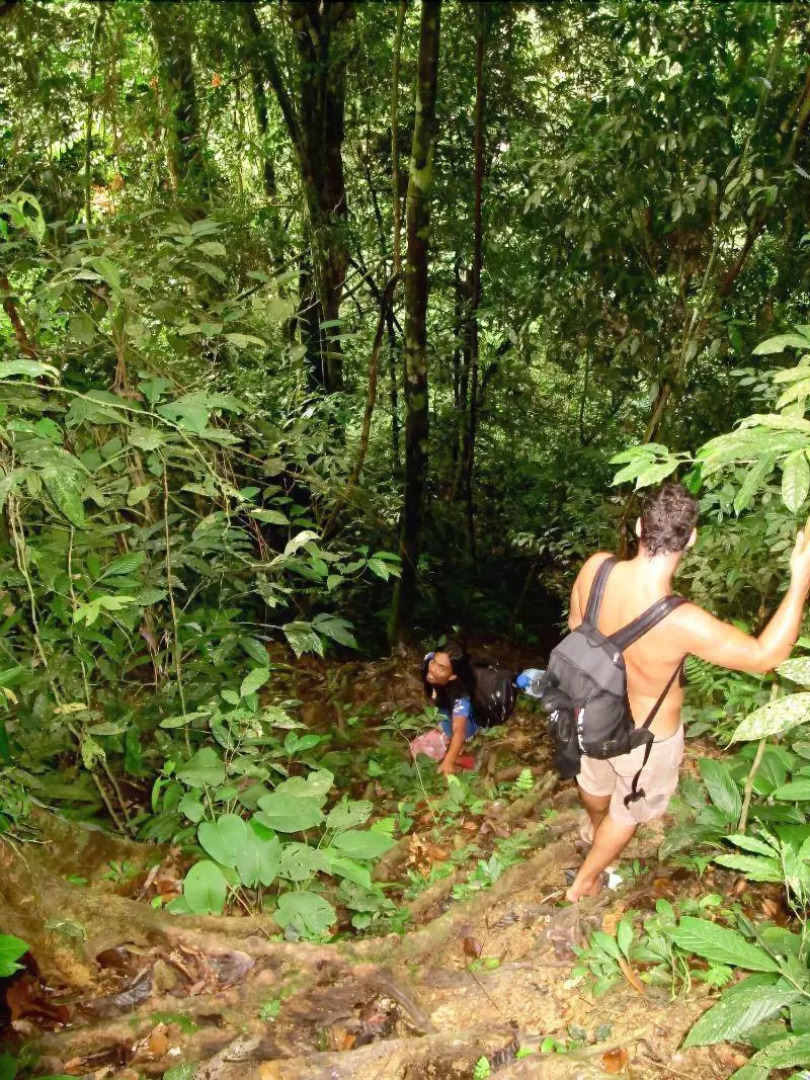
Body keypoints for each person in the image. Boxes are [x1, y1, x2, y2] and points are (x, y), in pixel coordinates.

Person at [565, 481, 810, 903]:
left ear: (640, 527)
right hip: (645, 737)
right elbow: (766, 656)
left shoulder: (595, 569)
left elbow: (574, 627)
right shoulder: (683, 621)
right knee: (628, 811)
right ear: (691, 538)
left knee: (593, 778)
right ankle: (585, 881)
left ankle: (592, 826)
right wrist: (800, 583)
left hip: (591, 710)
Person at [411, 641, 478, 775]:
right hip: (446, 710)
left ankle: (463, 759)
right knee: (418, 745)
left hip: (467, 720)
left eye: (441, 668)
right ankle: (453, 752)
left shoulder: (460, 696)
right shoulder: (430, 660)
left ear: (452, 675)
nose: (433, 669)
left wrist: (449, 761)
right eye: (434, 662)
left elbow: (459, 729)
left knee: (418, 749)